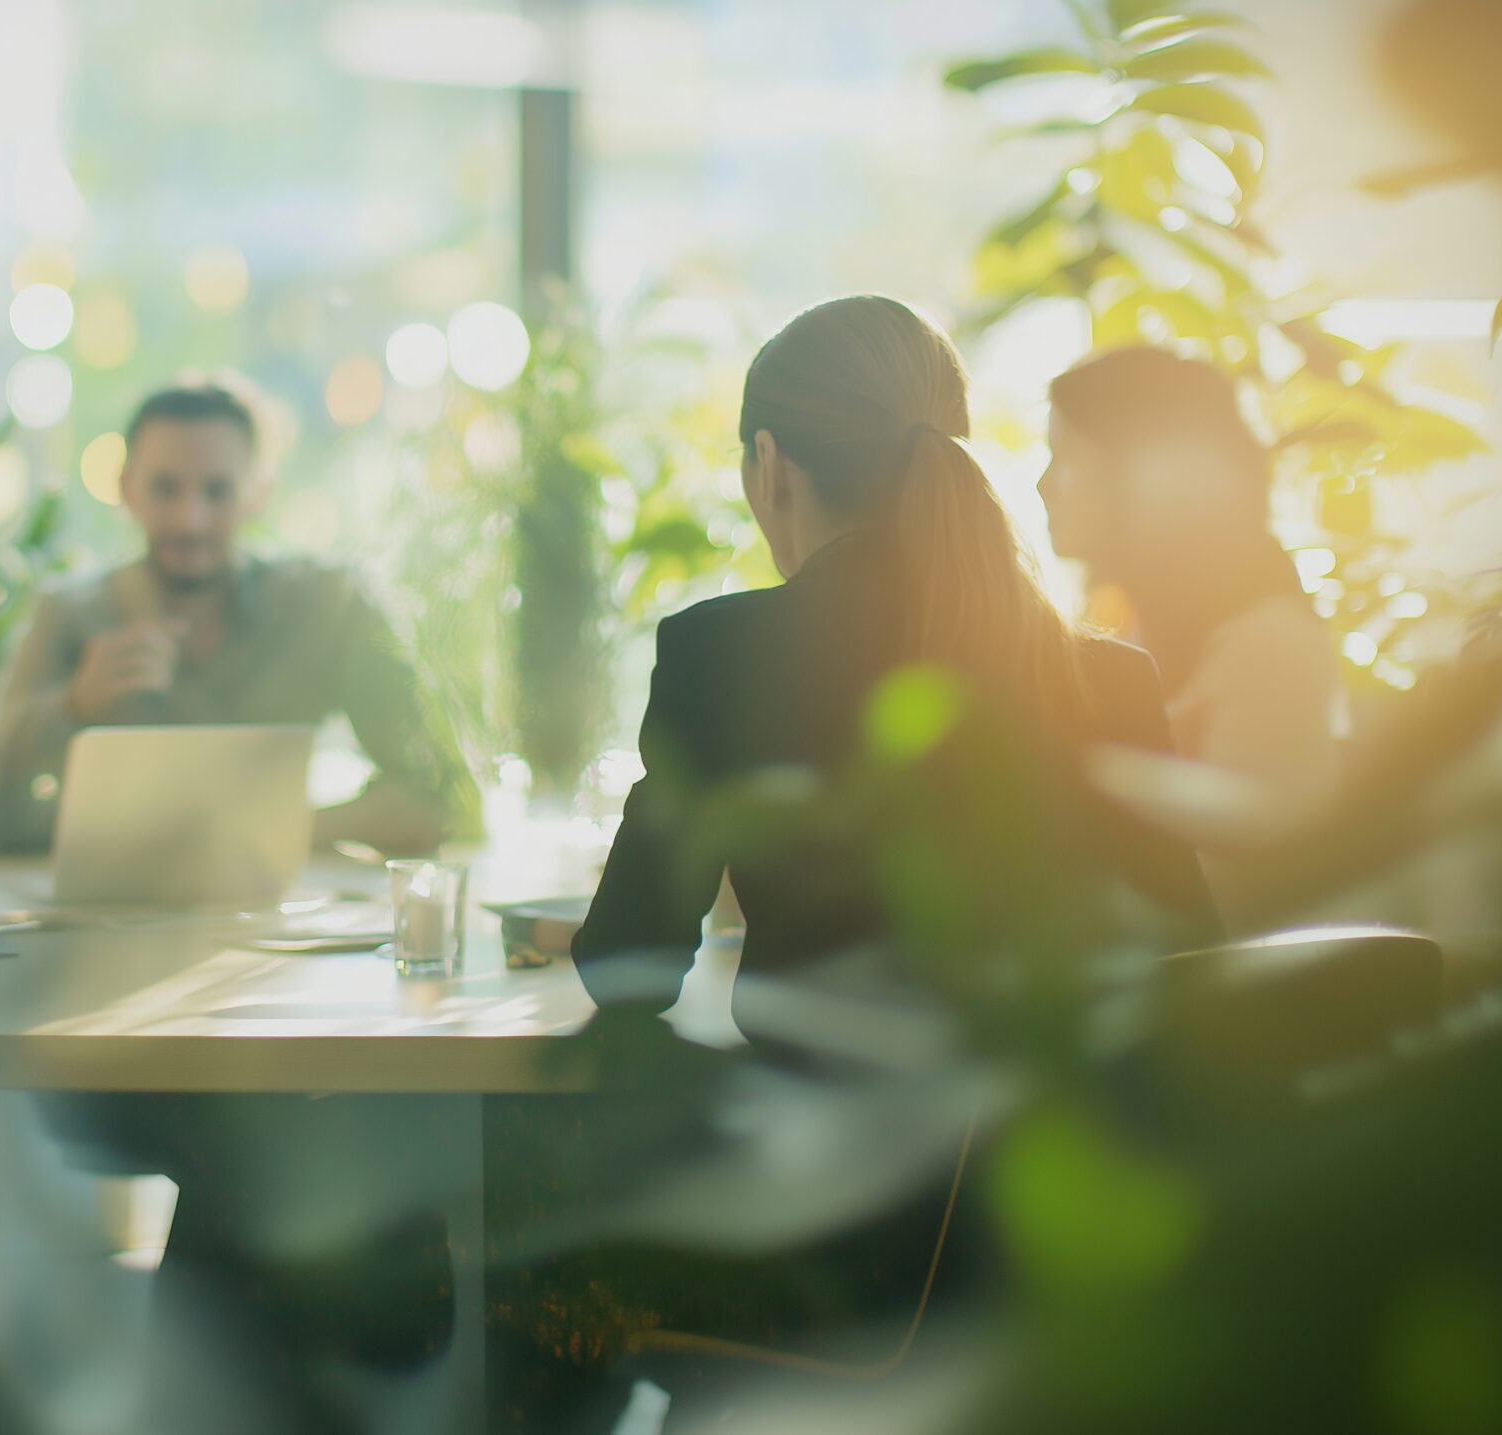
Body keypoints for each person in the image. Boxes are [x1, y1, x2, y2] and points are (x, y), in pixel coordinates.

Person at [503, 297, 1217, 1430]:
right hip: (1071, 1253)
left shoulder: (718, 653)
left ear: (770, 465)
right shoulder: (1108, 680)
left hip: (835, 1248)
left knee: (513, 1216)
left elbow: (626, 962)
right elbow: (1192, 957)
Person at [0, 383, 472, 856]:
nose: (189, 519)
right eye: (165, 488)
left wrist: (281, 829)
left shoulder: (329, 603)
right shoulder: (68, 613)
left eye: (217, 491)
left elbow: (450, 796)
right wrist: (72, 705)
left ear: (258, 493)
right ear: (126, 488)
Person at [1041, 345, 1344, 927]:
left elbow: (1259, 879)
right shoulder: (1119, 617)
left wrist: (1080, 778)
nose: (1043, 485)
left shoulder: (1268, 643)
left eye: (1067, 460)